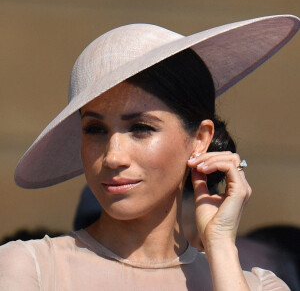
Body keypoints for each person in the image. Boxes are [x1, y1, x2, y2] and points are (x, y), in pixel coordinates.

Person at [0, 15, 299, 290]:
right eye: (95, 129)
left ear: (200, 139)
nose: (113, 157)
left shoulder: (258, 285)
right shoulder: (29, 268)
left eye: (141, 128)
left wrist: (220, 244)